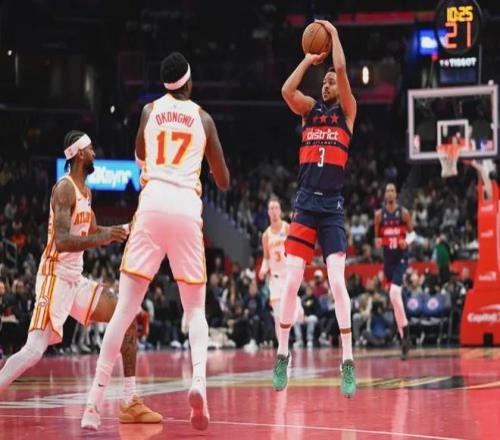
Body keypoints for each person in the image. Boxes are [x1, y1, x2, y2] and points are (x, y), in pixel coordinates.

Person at [82, 52, 230, 431]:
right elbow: (224, 180)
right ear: (189, 82)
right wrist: (206, 158)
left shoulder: (149, 112)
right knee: (195, 310)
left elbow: (140, 155)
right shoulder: (203, 118)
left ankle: (94, 402)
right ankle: (199, 382)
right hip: (185, 205)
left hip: (152, 203)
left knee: (125, 308)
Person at [0, 131, 162, 424]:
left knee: (126, 316)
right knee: (34, 350)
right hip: (54, 277)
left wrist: (126, 228)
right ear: (78, 154)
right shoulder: (64, 189)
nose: (95, 154)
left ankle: (130, 400)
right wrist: (104, 238)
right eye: (91, 150)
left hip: (76, 280)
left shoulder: (86, 192)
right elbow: (62, 241)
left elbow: (96, 232)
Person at [273, 19, 357, 397]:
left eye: (331, 82)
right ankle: (282, 353)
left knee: (337, 282)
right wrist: (309, 60)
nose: (327, 84)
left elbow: (341, 68)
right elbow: (286, 90)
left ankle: (347, 360)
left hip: (332, 208)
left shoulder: (347, 113)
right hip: (305, 204)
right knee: (291, 281)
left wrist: (333, 34)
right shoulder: (309, 110)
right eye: (324, 82)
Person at [374, 183, 415, 360]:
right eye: (387, 191)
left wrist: (407, 241)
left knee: (394, 293)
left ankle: (405, 334)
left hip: (400, 259)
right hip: (388, 261)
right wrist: (377, 242)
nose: (390, 193)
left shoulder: (403, 213)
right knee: (394, 299)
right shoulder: (379, 215)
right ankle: (404, 337)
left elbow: (413, 234)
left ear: (396, 194)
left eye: (392, 190)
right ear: (385, 195)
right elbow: (377, 238)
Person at [258, 198, 303, 344]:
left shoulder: (287, 228)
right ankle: (282, 350)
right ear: (268, 212)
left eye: (276, 208)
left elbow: (296, 249)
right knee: (277, 317)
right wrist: (263, 269)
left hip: (288, 275)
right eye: (271, 208)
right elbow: (266, 258)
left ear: (280, 211)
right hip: (275, 279)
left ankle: (297, 303)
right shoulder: (266, 235)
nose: (273, 211)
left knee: (287, 316)